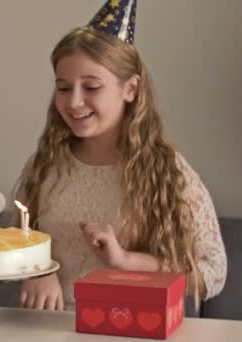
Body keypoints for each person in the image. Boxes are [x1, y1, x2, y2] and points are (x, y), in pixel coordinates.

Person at [13, 0, 226, 311]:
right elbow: (12, 246)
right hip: (49, 329)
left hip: (129, 327)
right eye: (63, 87)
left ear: (130, 89)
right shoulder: (45, 165)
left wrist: (127, 260)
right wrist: (37, 270)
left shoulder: (166, 171)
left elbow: (214, 273)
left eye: (92, 87)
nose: (74, 102)